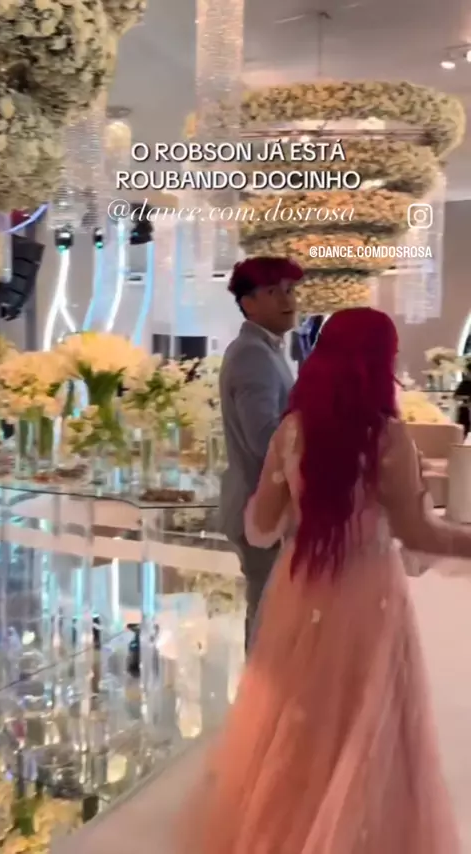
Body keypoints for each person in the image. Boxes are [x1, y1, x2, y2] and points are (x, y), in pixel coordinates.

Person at [178, 308, 470, 854]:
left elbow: (260, 526)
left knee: (295, 713)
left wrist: (300, 516)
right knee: (366, 717)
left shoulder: (291, 431)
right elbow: (419, 533)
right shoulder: (387, 438)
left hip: (301, 586)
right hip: (369, 594)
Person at [219, 256, 302, 650]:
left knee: (269, 613)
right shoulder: (252, 354)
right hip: (258, 506)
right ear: (248, 302)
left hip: (260, 503)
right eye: (274, 291)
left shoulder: (266, 348)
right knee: (268, 618)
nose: (289, 300)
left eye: (290, 290)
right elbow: (265, 437)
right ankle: (258, 688)